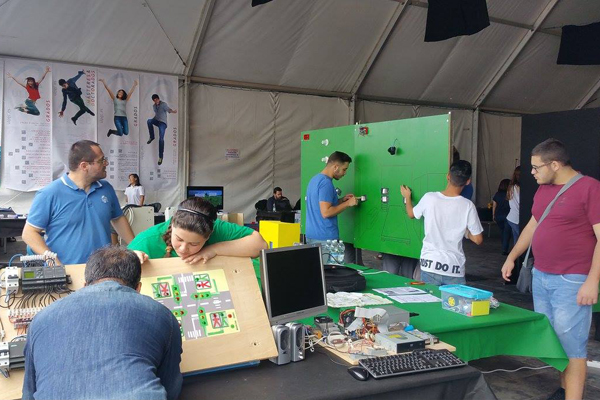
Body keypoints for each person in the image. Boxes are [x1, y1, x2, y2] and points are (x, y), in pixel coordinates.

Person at [502, 139, 600, 400]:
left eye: (536, 167)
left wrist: (592, 281)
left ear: (555, 164)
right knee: (554, 341)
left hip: (572, 280)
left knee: (573, 347)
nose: (532, 173)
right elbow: (533, 225)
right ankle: (564, 390)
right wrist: (512, 256)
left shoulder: (589, 188)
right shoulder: (544, 189)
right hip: (542, 276)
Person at [22, 247, 182, 400]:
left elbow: (29, 392)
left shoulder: (40, 319)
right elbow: (171, 386)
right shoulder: (162, 315)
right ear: (138, 288)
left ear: (84, 285)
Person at [22, 140, 135, 265]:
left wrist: (137, 248)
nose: (106, 163)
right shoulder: (49, 194)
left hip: (103, 270)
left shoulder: (106, 188)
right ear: (84, 166)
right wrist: (53, 262)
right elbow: (29, 233)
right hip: (67, 272)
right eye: (101, 160)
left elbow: (118, 219)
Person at [401, 160, 483, 286]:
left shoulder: (429, 198)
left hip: (430, 265)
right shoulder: (468, 206)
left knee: (429, 304)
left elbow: (411, 214)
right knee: (454, 305)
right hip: (454, 269)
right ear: (468, 182)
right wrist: (465, 231)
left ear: (448, 176)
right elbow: (478, 239)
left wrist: (407, 197)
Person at [128, 197, 266, 263]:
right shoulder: (148, 240)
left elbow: (260, 245)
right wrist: (130, 257)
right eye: (179, 239)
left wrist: (213, 250)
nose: (183, 249)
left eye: (194, 244)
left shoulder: (217, 227)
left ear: (209, 235)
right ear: (173, 224)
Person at [305, 151, 358, 264]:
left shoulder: (314, 180)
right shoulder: (326, 184)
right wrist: (348, 204)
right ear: (335, 167)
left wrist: (340, 200)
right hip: (326, 240)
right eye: (344, 169)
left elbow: (320, 206)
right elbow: (326, 212)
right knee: (331, 277)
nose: (345, 173)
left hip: (312, 237)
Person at [147, 94, 177, 166]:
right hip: (157, 120)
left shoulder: (163, 104)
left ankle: (160, 157)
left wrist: (173, 111)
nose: (155, 101)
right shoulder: (154, 106)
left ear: (158, 99)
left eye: (156, 99)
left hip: (163, 123)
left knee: (161, 139)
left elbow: (168, 109)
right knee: (149, 121)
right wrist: (154, 119)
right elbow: (157, 114)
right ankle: (152, 137)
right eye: (154, 100)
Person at [492, 178, 511, 255]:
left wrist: (493, 215)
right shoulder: (510, 194)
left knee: (502, 231)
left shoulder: (497, 194)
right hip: (508, 215)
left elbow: (494, 206)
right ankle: (504, 249)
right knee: (507, 233)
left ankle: (503, 246)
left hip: (498, 215)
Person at [506, 166, 521, 246]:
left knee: (517, 239)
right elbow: (520, 202)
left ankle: (516, 258)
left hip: (512, 217)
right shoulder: (517, 188)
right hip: (516, 218)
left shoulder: (511, 186)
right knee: (522, 238)